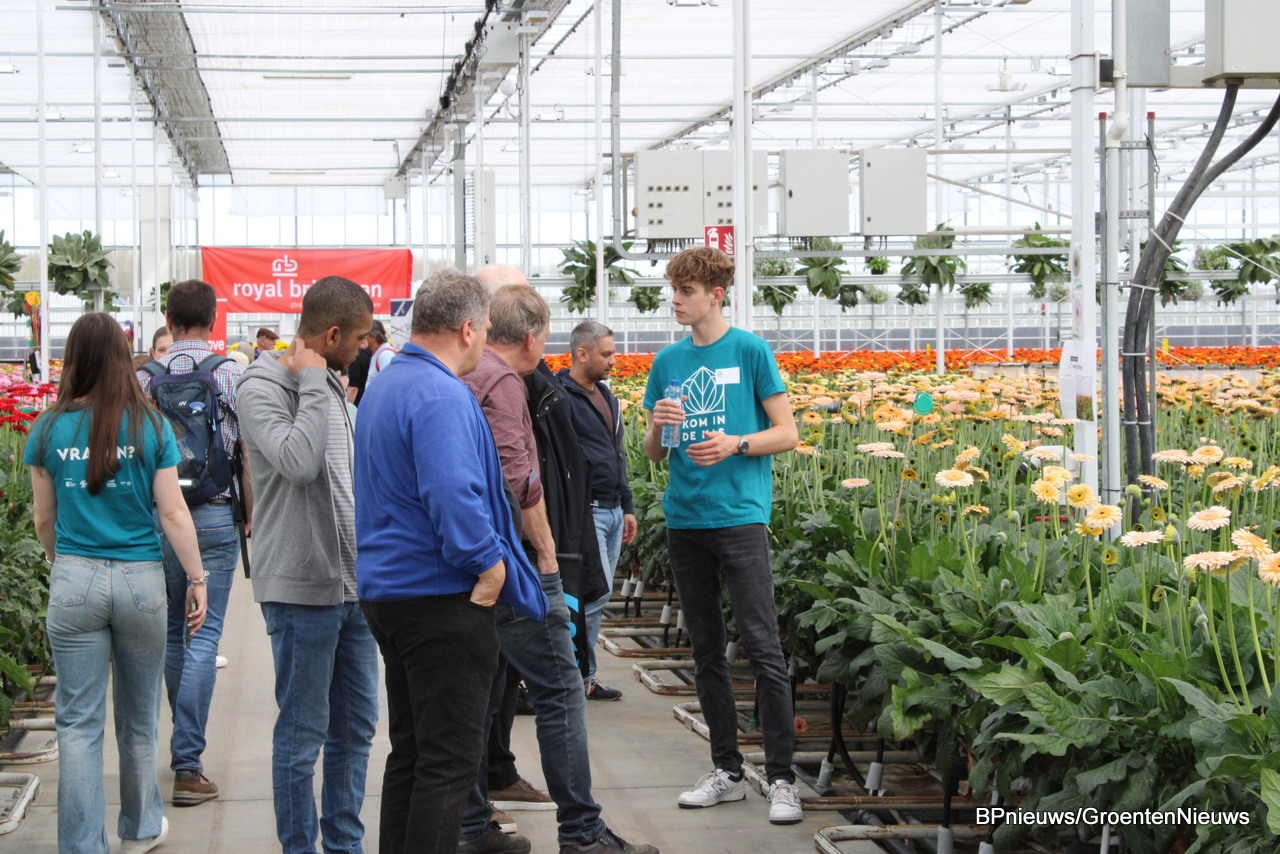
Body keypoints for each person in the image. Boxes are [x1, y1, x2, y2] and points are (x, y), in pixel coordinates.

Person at [459, 280, 657, 854]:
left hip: (465, 566)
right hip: (510, 562)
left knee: (476, 694)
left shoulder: (459, 375)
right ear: (531, 338)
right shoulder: (503, 382)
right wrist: (547, 559)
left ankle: (472, 824)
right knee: (561, 687)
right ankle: (582, 832)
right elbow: (518, 477)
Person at [354, 269, 547, 854]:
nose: (486, 340)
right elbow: (451, 494)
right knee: (449, 762)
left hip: (391, 593)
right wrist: (491, 568)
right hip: (439, 596)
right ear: (467, 329)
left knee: (414, 753)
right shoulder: (439, 393)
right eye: (485, 329)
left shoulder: (389, 382)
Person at [26, 312, 208, 854]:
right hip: (139, 581)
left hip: (75, 577)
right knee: (138, 718)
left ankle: (82, 845)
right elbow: (172, 513)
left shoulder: (47, 428)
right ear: (123, 360)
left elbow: (43, 517)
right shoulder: (150, 425)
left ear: (73, 360)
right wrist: (197, 577)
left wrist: (65, 562)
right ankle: (141, 828)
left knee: (78, 724)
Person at [642, 247, 802, 826]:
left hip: (739, 517)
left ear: (715, 295)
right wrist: (657, 428)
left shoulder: (751, 351)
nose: (676, 301)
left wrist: (737, 443)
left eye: (685, 291)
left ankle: (782, 779)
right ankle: (727, 771)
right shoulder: (668, 361)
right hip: (685, 519)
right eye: (674, 290)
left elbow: (787, 433)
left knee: (762, 646)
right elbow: (655, 453)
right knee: (706, 650)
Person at [236, 277, 379, 854]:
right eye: (361, 339)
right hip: (300, 590)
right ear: (333, 334)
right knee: (302, 736)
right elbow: (298, 463)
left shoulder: (331, 385)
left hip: (352, 587)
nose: (365, 348)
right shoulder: (260, 387)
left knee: (356, 727)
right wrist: (316, 383)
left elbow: (347, 480)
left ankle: (343, 843)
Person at [136, 279, 248, 808]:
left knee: (174, 635)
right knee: (205, 634)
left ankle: (182, 749)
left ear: (168, 318)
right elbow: (247, 450)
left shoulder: (143, 378)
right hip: (215, 516)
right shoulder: (229, 374)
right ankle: (188, 763)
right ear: (213, 319)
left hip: (162, 519)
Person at [559, 321, 636, 702]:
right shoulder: (561, 398)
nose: (613, 361)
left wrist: (627, 505)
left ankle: (581, 676)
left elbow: (618, 454)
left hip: (613, 510)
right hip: (587, 511)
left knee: (596, 595)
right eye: (606, 354)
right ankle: (575, 676)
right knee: (593, 594)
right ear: (582, 353)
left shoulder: (607, 397)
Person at [346, 330, 372, 405]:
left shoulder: (356, 357)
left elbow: (353, 388)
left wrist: (348, 407)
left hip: (358, 402)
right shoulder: (372, 354)